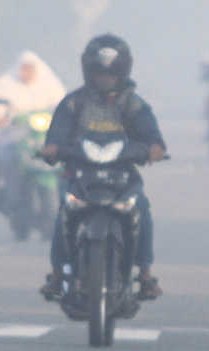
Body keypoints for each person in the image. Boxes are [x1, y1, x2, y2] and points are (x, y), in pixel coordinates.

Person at [39, 34, 166, 301]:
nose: (104, 78)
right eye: (99, 72)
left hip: (122, 176)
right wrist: (52, 148)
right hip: (79, 175)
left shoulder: (133, 103)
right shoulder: (73, 103)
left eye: (111, 73)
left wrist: (154, 148)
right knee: (64, 210)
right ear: (89, 71)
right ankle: (57, 275)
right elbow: (56, 136)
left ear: (122, 72)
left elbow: (153, 137)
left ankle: (145, 274)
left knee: (141, 206)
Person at [0, 51, 66, 213]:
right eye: (24, 69)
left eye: (30, 69)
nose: (26, 73)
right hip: (16, 132)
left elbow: (63, 103)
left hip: (45, 133)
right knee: (1, 154)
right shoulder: (7, 83)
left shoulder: (49, 83)